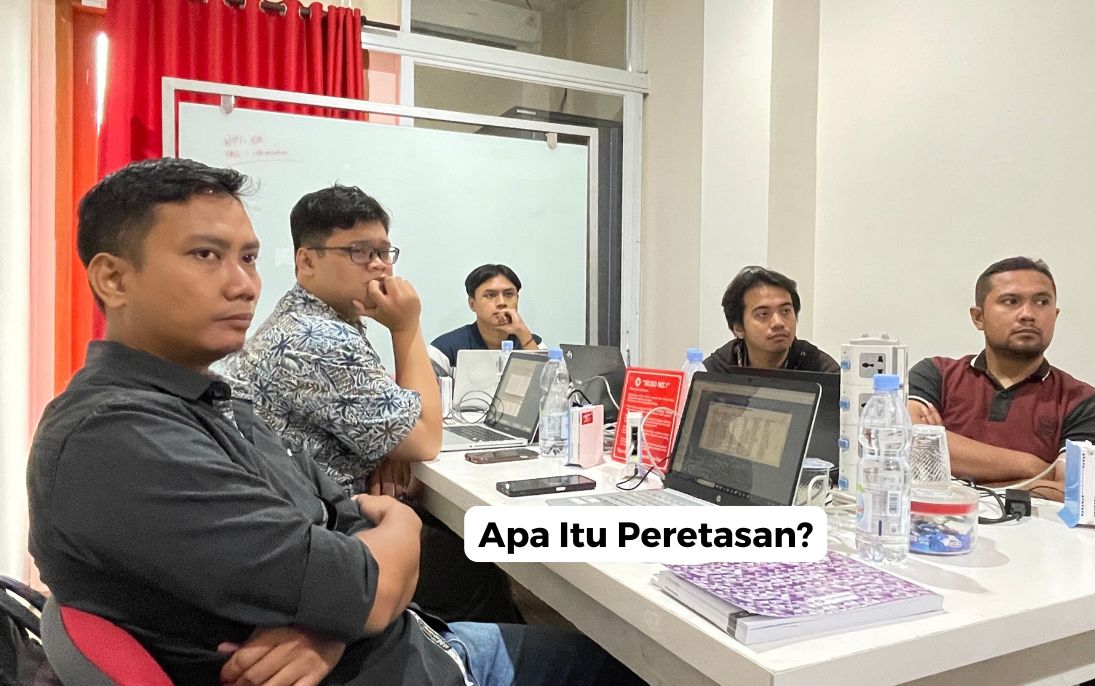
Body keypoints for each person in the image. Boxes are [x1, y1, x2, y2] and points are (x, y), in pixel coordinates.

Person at [27, 158, 638, 686]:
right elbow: (379, 531)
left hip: (393, 641)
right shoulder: (122, 438)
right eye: (206, 255)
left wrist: (338, 615)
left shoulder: (206, 398)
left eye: (248, 257)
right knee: (628, 663)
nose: (243, 284)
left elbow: (339, 516)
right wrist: (380, 557)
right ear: (113, 278)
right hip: (401, 665)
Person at [221, 185, 522, 624]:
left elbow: (399, 424)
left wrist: (382, 449)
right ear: (306, 261)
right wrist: (406, 326)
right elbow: (425, 440)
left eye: (384, 251)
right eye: (359, 251)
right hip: (322, 541)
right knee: (473, 565)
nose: (379, 265)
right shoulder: (318, 337)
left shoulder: (316, 318)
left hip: (310, 518)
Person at [906, 257, 1095, 499]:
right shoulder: (936, 375)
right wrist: (1033, 467)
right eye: (1011, 301)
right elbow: (906, 444)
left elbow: (1082, 496)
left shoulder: (1083, 402)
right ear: (978, 317)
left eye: (1042, 302)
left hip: (1034, 525)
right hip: (940, 520)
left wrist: (949, 467)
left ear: (1055, 315)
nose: (1028, 314)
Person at [703, 266, 839, 374]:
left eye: (785, 311)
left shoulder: (821, 370)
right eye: (763, 314)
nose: (778, 323)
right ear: (739, 328)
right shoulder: (718, 370)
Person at [431, 264, 542, 367]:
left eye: (509, 294)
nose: (501, 302)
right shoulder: (444, 350)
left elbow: (545, 379)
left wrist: (523, 334)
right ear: (472, 304)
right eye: (490, 295)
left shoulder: (533, 343)